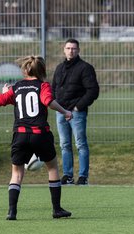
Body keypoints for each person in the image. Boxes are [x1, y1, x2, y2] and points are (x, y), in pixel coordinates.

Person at [0, 55, 73, 220]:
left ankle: (12, 211)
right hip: (40, 134)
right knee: (53, 168)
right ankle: (57, 209)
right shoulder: (42, 86)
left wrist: (6, 93)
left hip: (19, 134)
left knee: (16, 173)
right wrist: (65, 112)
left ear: (25, 70)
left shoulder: (17, 87)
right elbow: (47, 100)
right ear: (41, 71)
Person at [52, 38, 99, 185]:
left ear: (78, 50)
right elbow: (54, 88)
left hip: (76, 113)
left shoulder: (85, 68)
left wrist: (78, 107)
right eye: (68, 48)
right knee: (64, 144)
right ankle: (68, 175)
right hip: (61, 111)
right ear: (64, 50)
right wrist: (57, 105)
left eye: (73, 48)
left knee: (80, 144)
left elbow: (93, 91)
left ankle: (83, 177)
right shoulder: (59, 68)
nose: (70, 51)